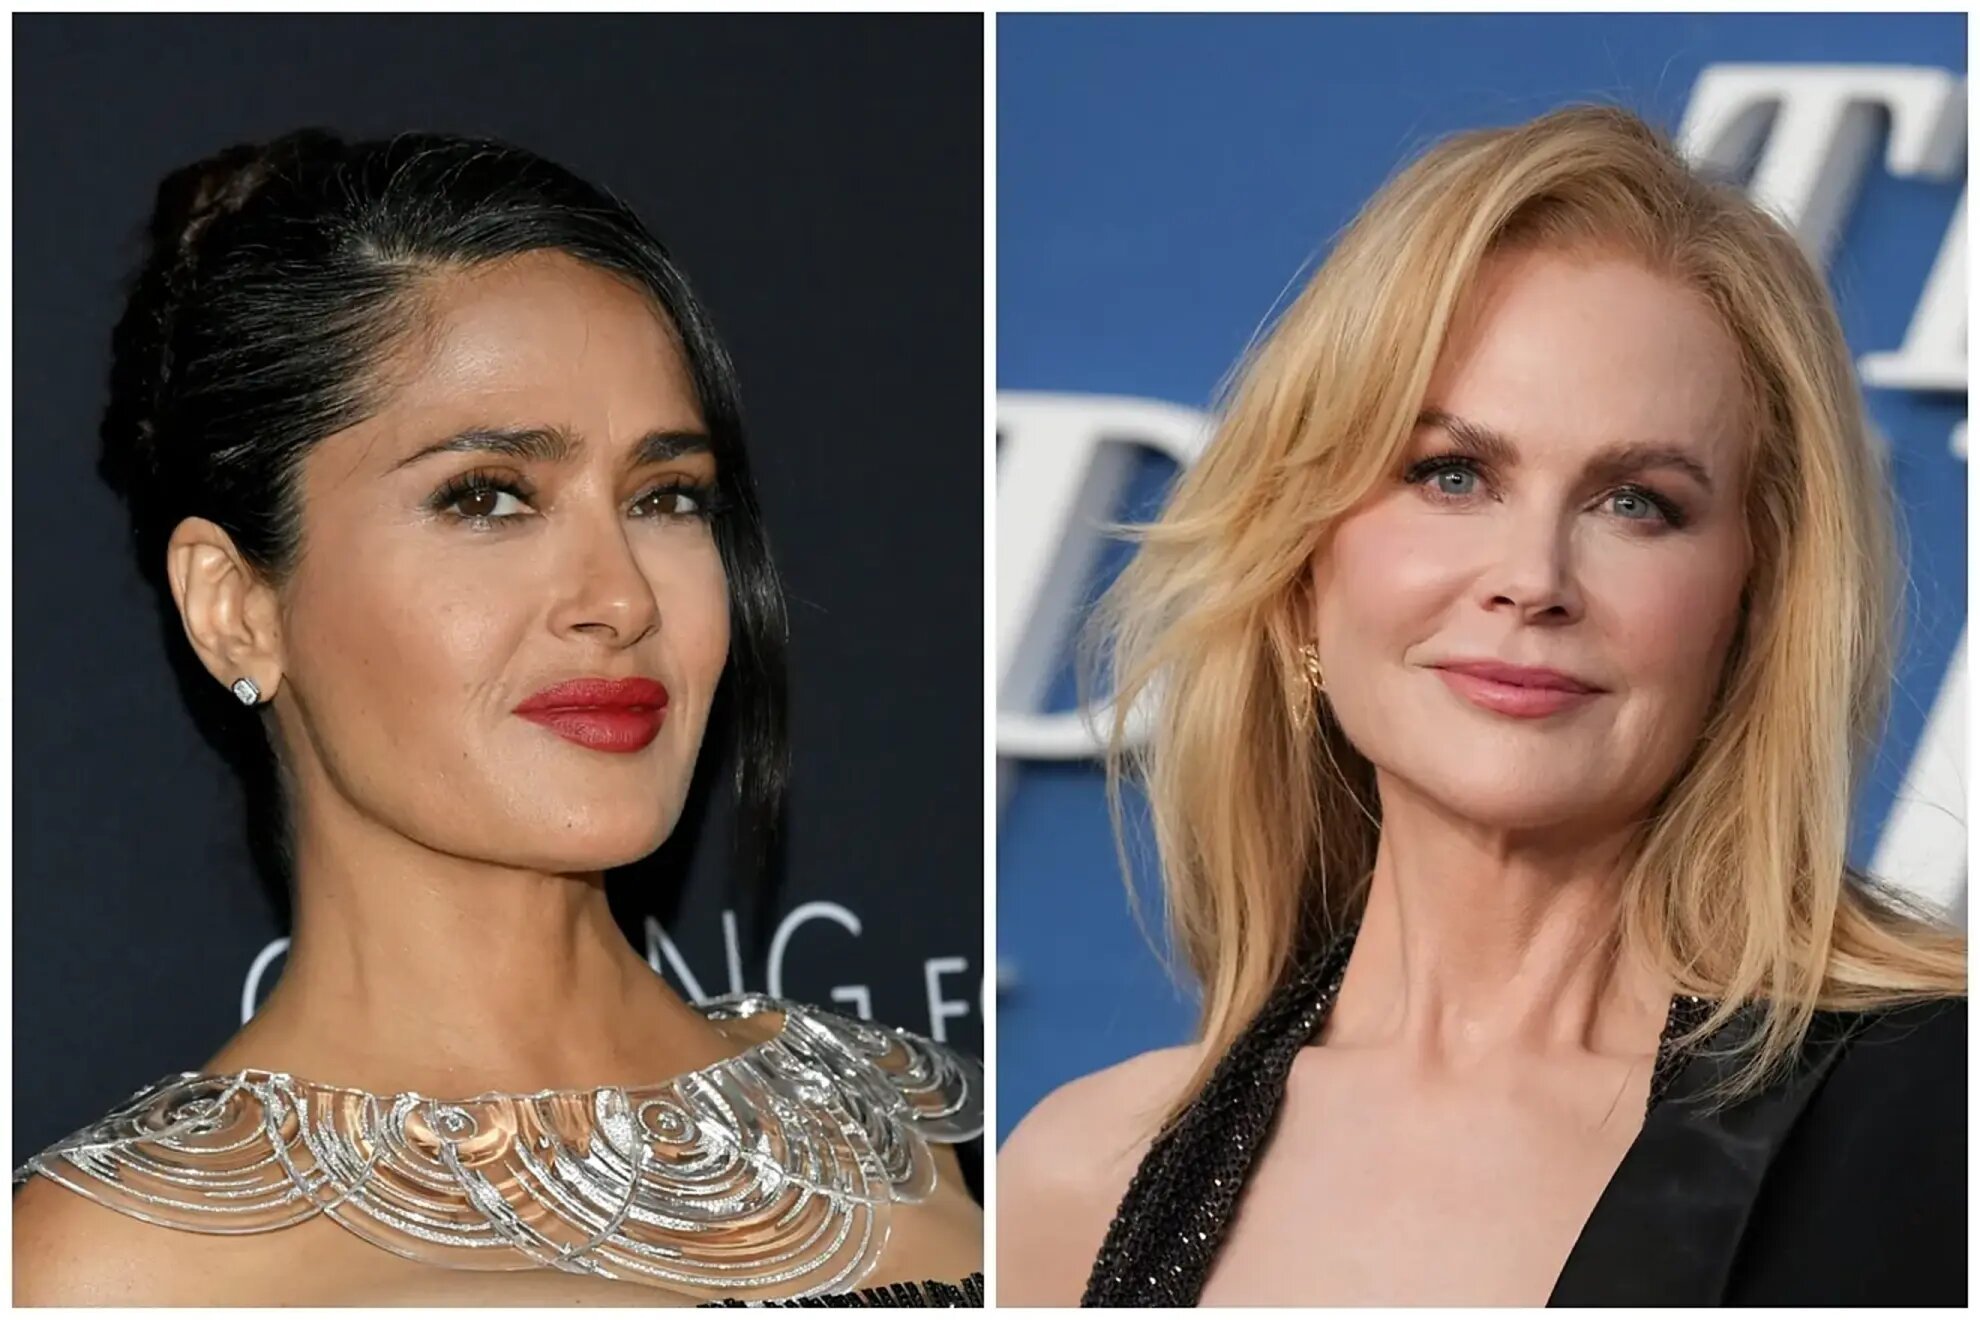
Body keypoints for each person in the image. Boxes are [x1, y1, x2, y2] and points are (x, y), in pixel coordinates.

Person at [997, 104, 1965, 1307]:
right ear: (1304, 572)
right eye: (1451, 475)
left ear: (1752, 609)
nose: (1534, 580)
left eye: (1638, 503)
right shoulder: (1075, 1179)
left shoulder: (1940, 1127)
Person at [13, 129, 983, 1307]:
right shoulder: (117, 1271)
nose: (620, 597)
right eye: (486, 497)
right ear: (236, 608)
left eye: (666, 496)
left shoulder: (923, 1137)